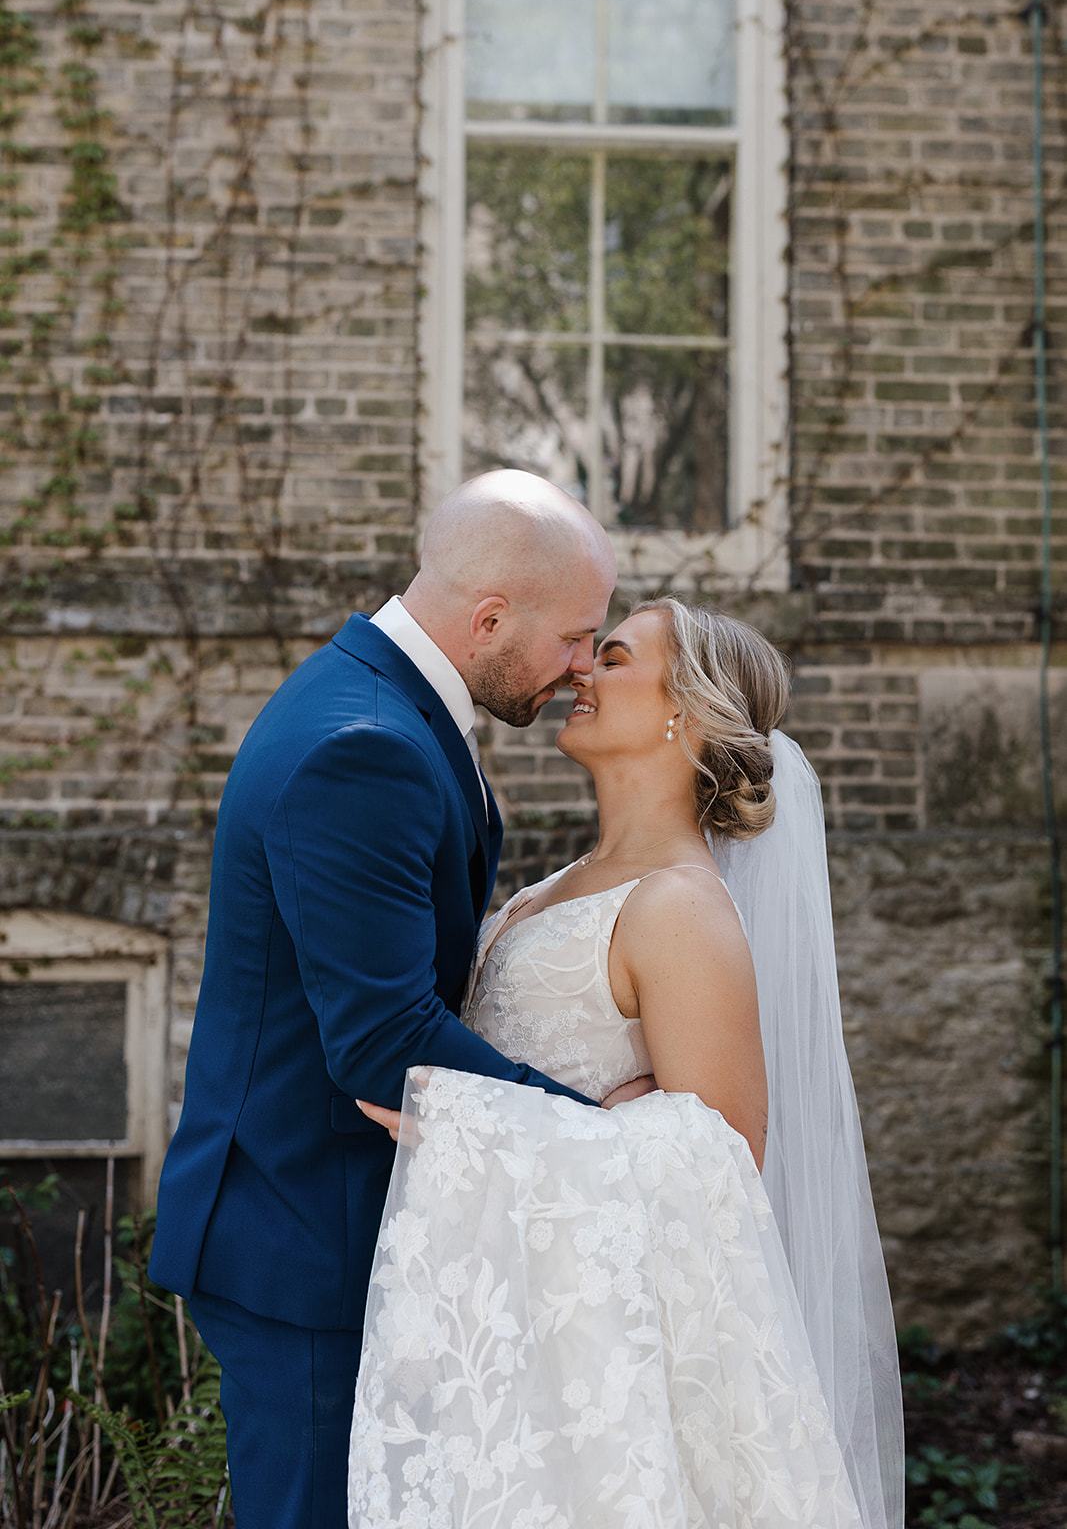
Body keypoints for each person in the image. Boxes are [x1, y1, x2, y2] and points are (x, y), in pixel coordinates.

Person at [350, 600, 905, 1529]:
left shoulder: (680, 908)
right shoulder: (548, 887)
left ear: (684, 710)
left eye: (610, 657)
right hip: (502, 1317)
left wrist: (497, 1128)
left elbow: (722, 1170)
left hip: (602, 1360)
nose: (581, 674)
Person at [148, 469, 618, 1528]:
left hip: (342, 1217)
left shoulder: (386, 705)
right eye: (577, 637)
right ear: (490, 617)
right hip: (305, 1235)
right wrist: (609, 1141)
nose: (581, 669)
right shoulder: (364, 745)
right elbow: (384, 1041)